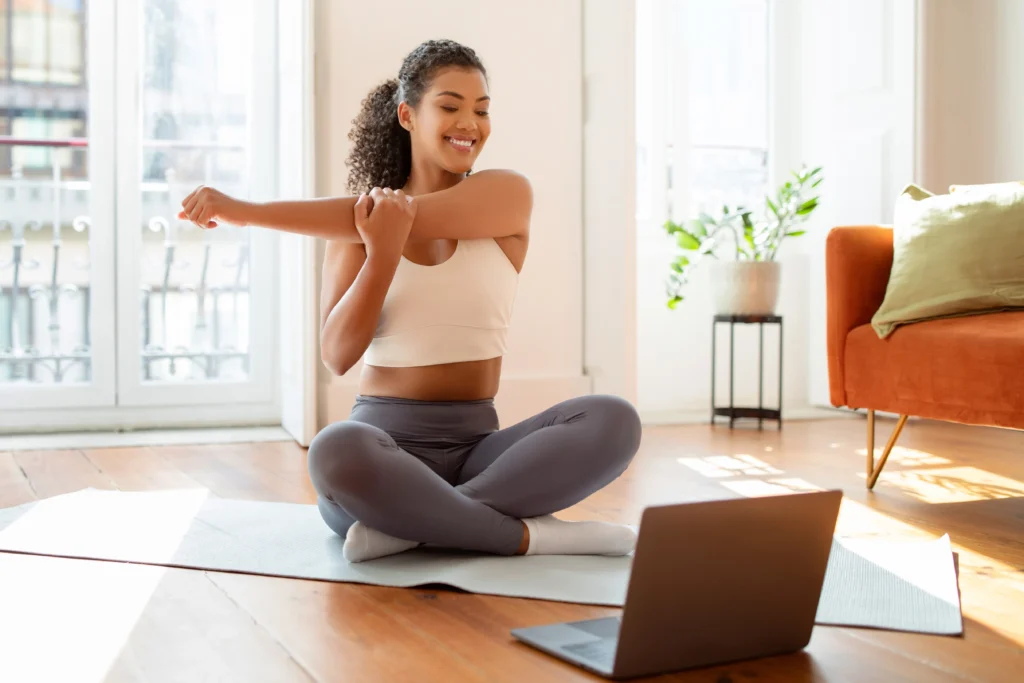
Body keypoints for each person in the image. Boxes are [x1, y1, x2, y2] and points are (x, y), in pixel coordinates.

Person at [177, 39, 642, 563]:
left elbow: (401, 214)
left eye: (482, 110)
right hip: (381, 452)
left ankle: (416, 526)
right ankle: (531, 537)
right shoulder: (358, 233)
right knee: (334, 448)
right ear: (407, 114)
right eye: (449, 106)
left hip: (480, 454)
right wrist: (381, 254)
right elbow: (337, 356)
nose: (470, 122)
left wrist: (248, 211)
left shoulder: (507, 196)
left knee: (613, 418)